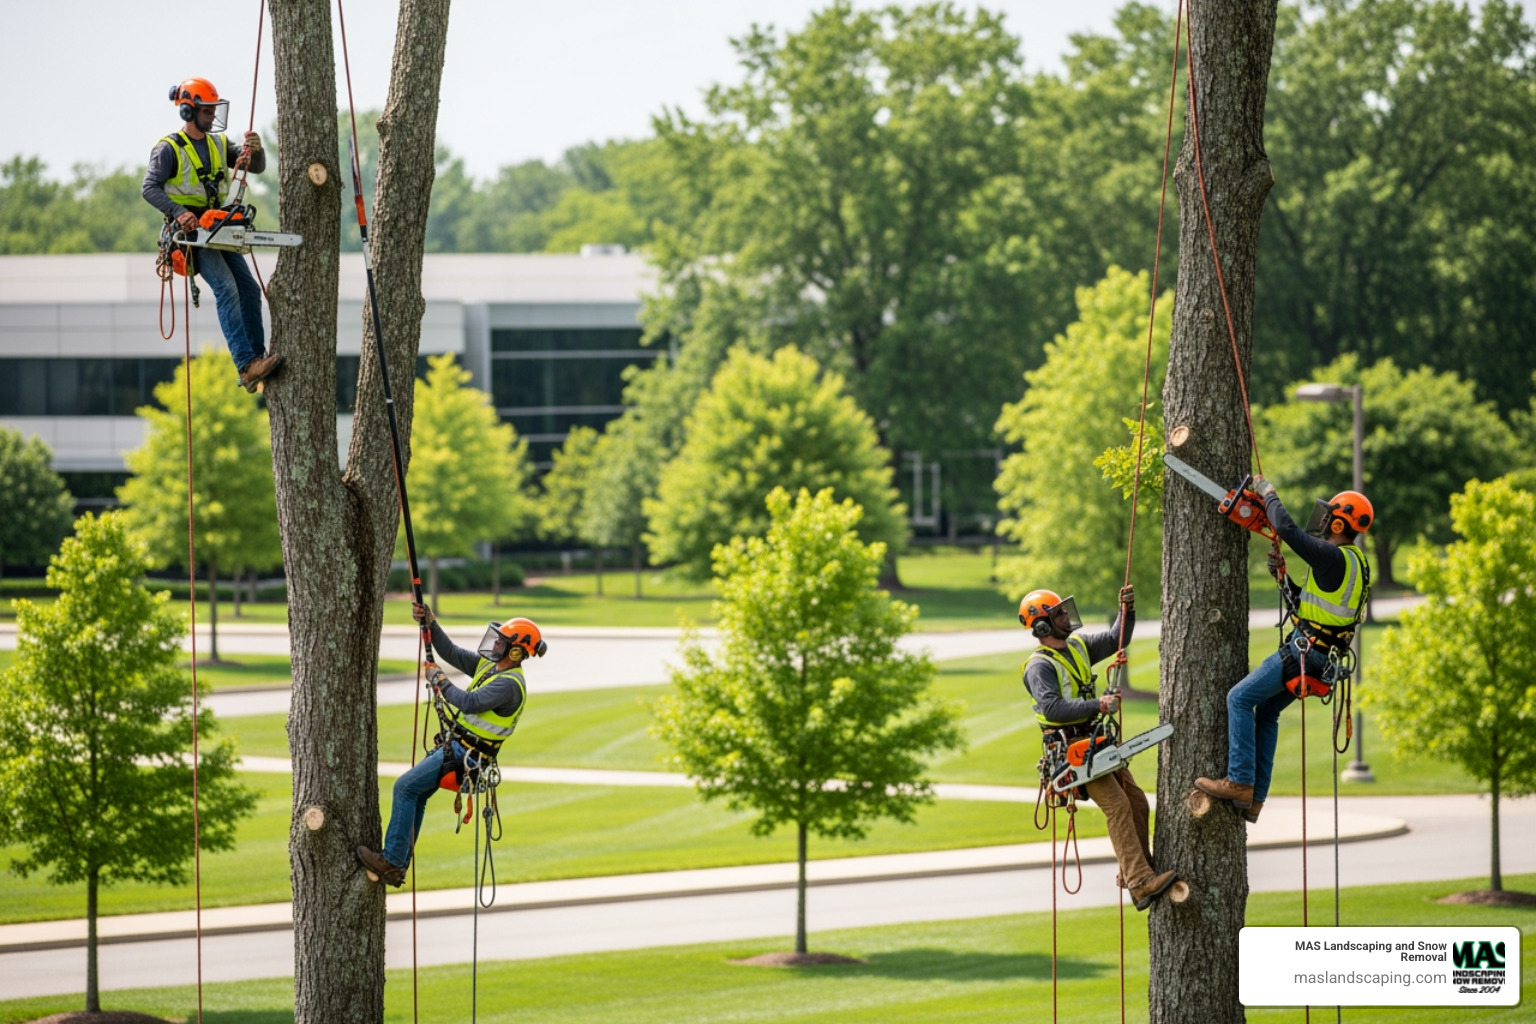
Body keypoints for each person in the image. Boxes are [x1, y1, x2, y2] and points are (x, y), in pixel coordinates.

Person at [1196, 482, 1374, 824]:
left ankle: (1240, 782)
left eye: (1329, 516)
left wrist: (1269, 494)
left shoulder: (1333, 556)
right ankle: (1256, 800)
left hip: (1305, 653)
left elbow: (1287, 530)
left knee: (1239, 698)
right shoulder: (1354, 562)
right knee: (1267, 713)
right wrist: (1283, 579)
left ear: (1339, 525)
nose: (1322, 520)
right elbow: (1317, 610)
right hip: (1322, 657)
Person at [356, 605, 546, 886]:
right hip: (457, 748)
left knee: (405, 788)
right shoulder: (489, 667)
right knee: (416, 794)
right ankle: (397, 862)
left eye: (502, 642)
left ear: (516, 652)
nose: (494, 644)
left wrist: (439, 680)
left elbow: (470, 702)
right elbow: (452, 652)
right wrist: (431, 623)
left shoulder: (508, 684)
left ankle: (393, 862)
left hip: (466, 754)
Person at [1021, 584, 1178, 911]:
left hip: (1094, 742)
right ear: (1041, 626)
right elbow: (1051, 708)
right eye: (1059, 613)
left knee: (1136, 802)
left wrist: (1127, 610)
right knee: (1118, 806)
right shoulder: (1039, 666)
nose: (1066, 616)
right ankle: (1139, 882)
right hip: (1070, 750)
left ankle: (1138, 870)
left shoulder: (1077, 646)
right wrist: (1097, 705)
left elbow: (1117, 638)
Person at [143, 77, 283, 393]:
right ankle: (246, 365)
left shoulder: (219, 144)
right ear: (187, 112)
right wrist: (180, 212)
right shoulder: (169, 149)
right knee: (227, 288)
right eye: (206, 111)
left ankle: (257, 358)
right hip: (191, 234)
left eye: (213, 110)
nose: (212, 117)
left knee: (248, 288)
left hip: (218, 224)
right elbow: (149, 188)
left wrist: (255, 151)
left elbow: (254, 167)